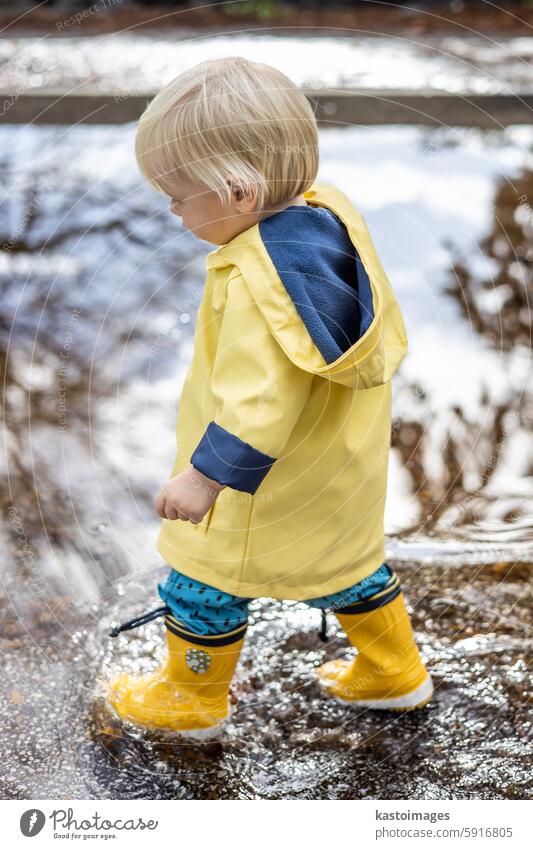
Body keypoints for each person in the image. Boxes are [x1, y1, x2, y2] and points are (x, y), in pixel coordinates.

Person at [107, 56, 433, 738]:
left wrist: (204, 476)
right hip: (333, 472)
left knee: (203, 579)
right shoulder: (325, 225)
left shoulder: (260, 285)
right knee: (348, 568)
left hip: (261, 488)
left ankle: (190, 697)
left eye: (176, 194)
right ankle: (394, 671)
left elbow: (261, 402)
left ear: (235, 193)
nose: (170, 209)